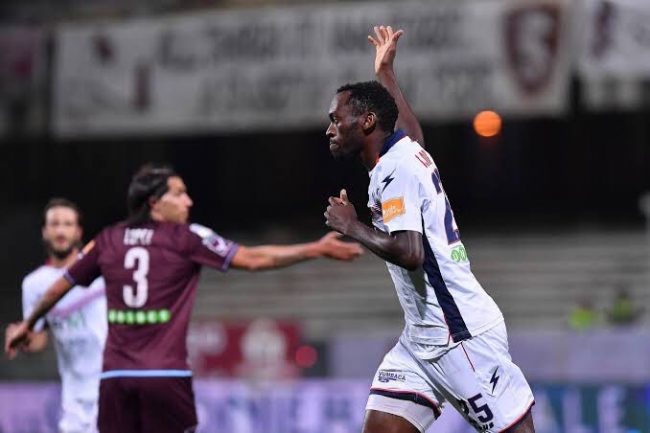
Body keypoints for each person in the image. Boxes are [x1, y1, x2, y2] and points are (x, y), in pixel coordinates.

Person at [6, 164, 363, 433]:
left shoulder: (108, 239)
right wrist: (314, 249)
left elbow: (59, 286)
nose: (188, 201)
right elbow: (253, 259)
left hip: (115, 377)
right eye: (179, 194)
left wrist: (28, 323)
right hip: (165, 374)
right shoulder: (186, 237)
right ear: (154, 202)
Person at [324, 26, 535, 433]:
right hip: (421, 341)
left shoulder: (395, 172)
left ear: (366, 122)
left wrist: (352, 226)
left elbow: (410, 252)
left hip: (459, 336)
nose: (329, 129)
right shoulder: (403, 153)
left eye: (336, 119)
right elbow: (413, 132)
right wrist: (386, 73)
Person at [5, 198, 106, 433]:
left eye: (68, 224)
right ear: (44, 231)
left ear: (78, 231)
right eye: (55, 224)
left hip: (110, 388)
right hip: (74, 400)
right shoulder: (34, 284)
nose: (61, 231)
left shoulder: (100, 272)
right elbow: (39, 339)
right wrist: (24, 339)